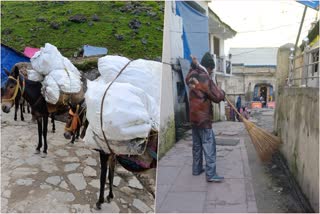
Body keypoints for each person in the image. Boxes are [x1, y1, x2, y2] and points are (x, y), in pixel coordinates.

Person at [185, 52, 225, 182]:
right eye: (211, 69)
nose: (212, 71)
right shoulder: (205, 78)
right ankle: (211, 174)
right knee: (209, 145)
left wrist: (194, 66)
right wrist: (223, 93)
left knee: (197, 144)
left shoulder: (191, 75)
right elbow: (217, 97)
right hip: (203, 118)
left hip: (193, 116)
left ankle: (196, 169)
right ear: (208, 67)